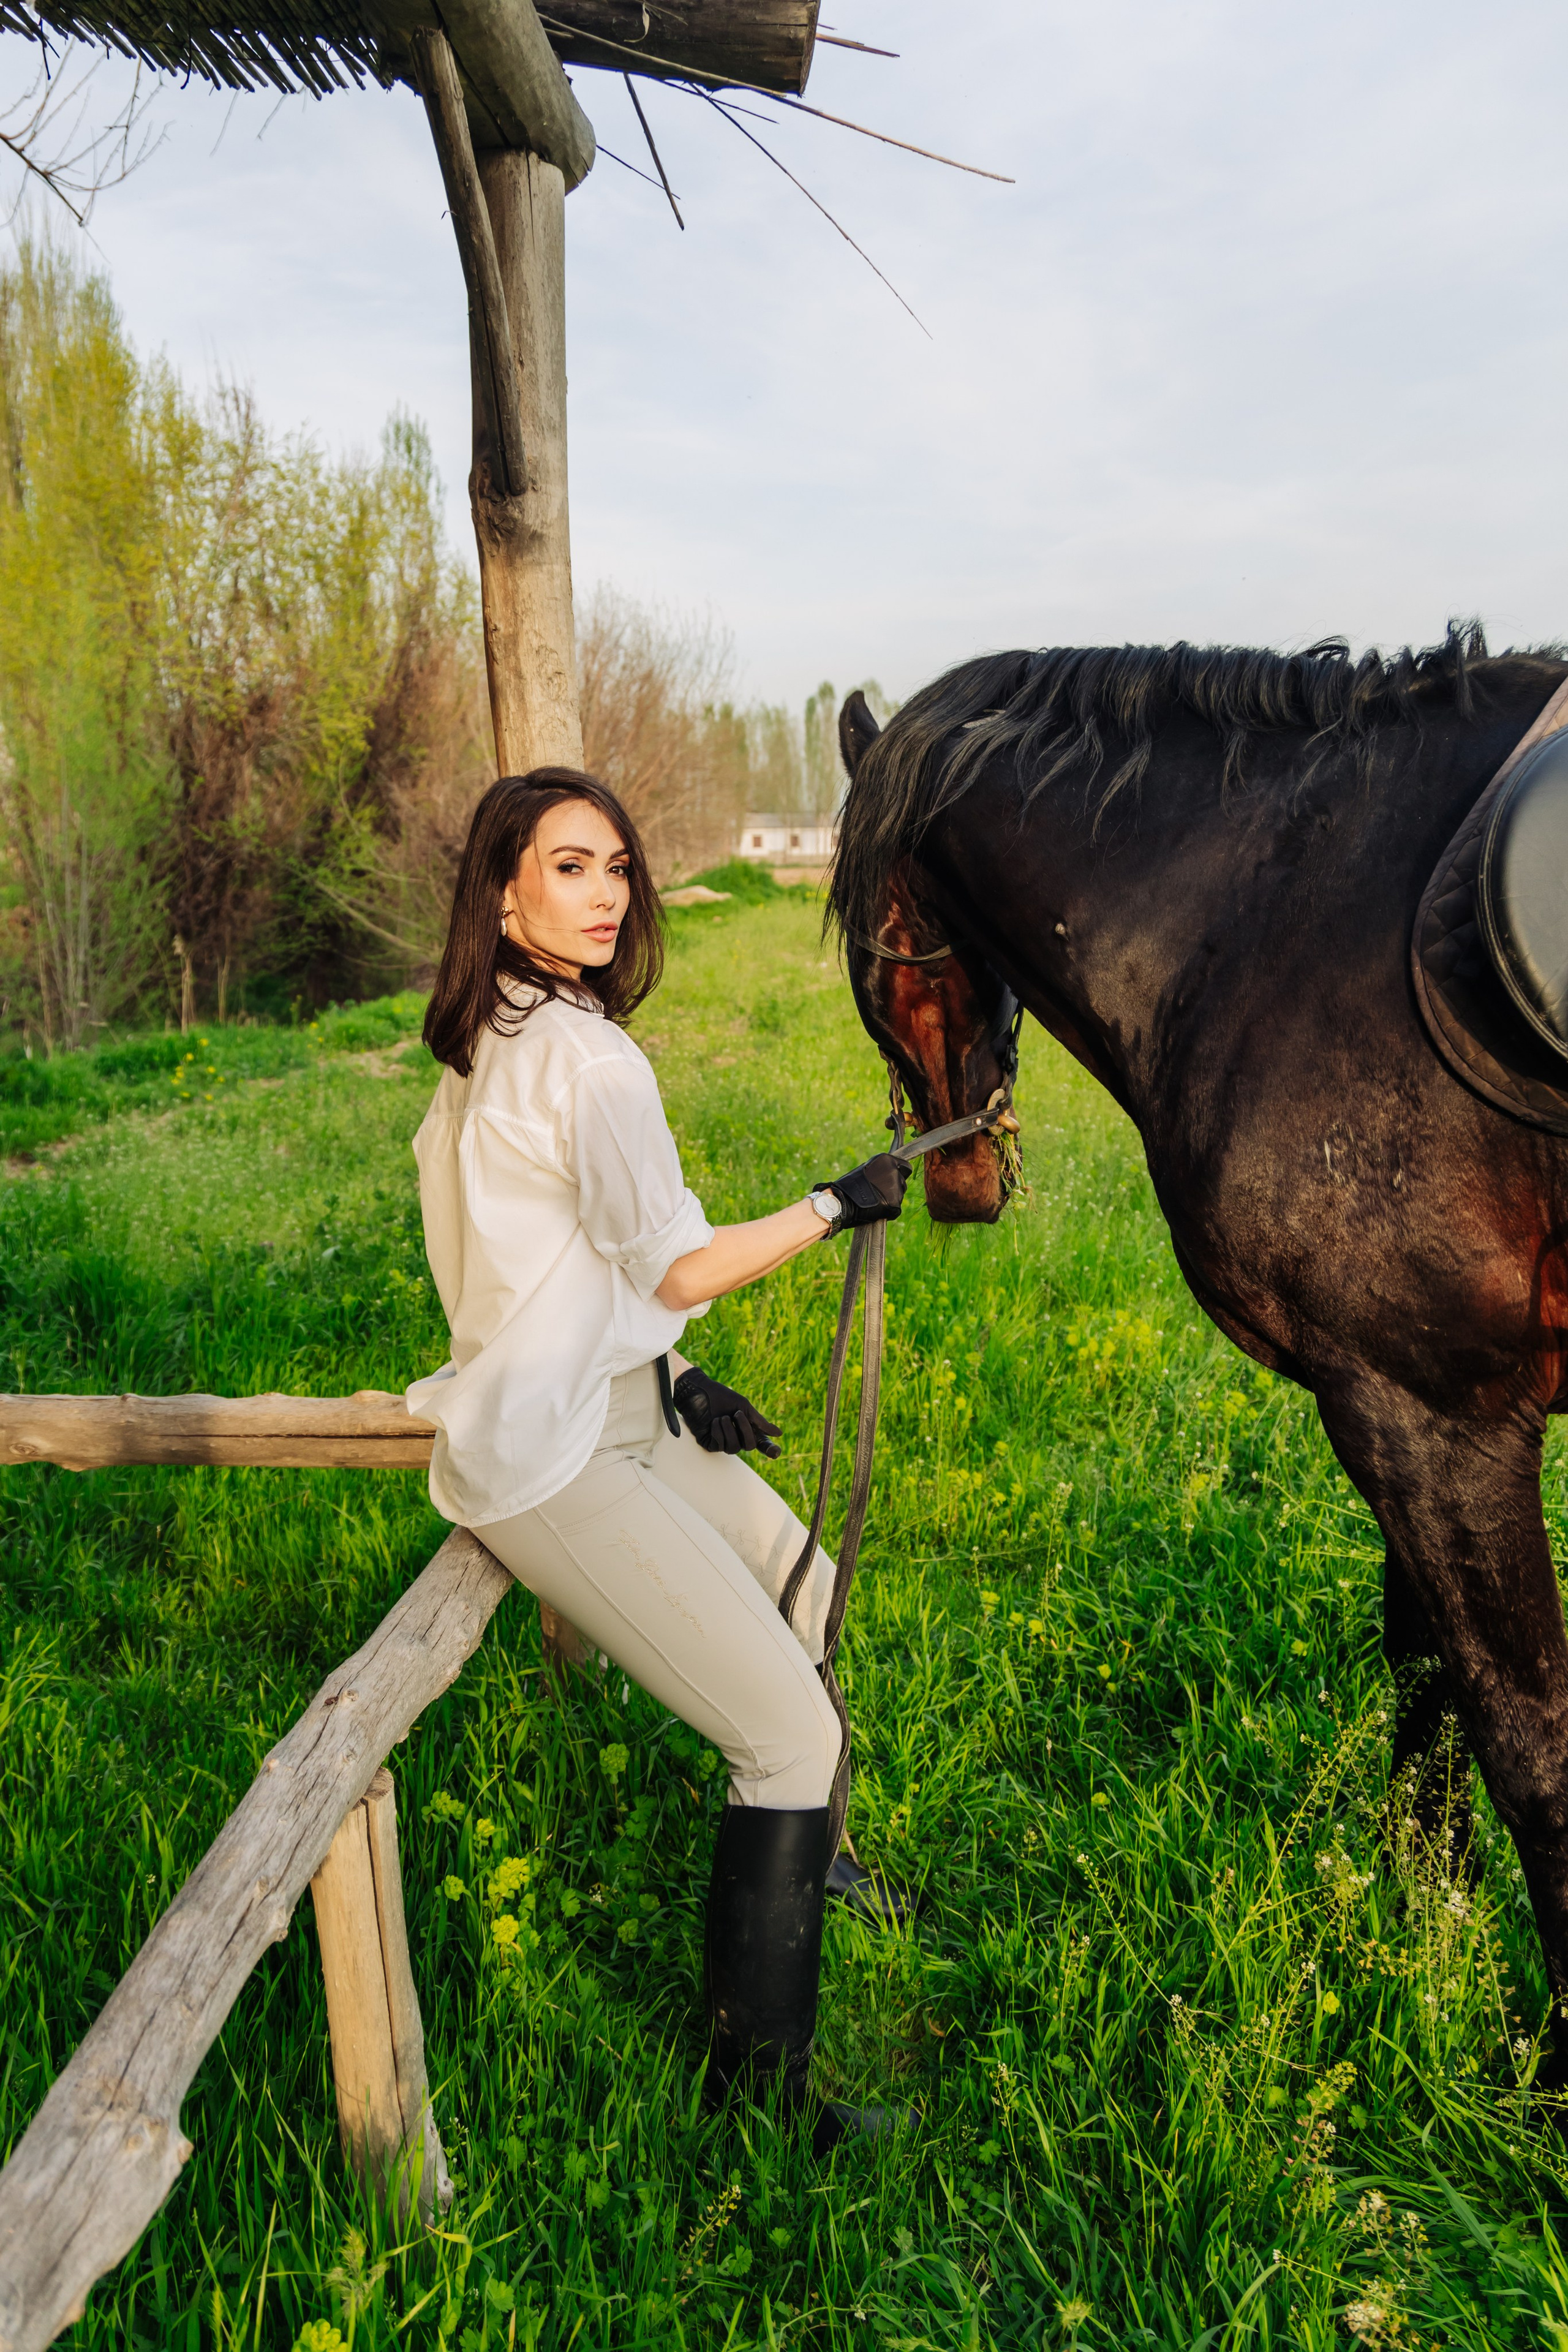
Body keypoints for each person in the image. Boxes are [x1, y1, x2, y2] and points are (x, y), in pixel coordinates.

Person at [407, 766, 908, 2151]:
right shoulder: (581, 1056)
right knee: (786, 1727)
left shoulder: (495, 1034)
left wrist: (675, 1378)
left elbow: (546, 1269)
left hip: (614, 1402)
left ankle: (812, 1857)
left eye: (617, 867)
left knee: (801, 1579)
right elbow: (677, 1262)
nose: (606, 893)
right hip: (553, 1458)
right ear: (504, 890)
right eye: (571, 867)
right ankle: (761, 2099)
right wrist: (831, 1203)